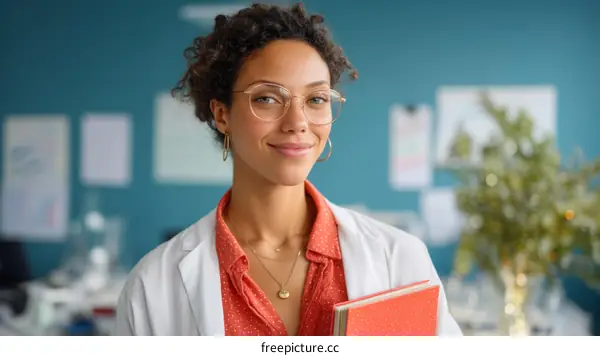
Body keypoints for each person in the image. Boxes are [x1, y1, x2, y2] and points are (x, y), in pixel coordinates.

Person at [115, 2, 462, 336]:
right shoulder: (153, 285)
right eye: (267, 98)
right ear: (222, 115)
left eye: (316, 100)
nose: (297, 123)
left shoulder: (399, 260)